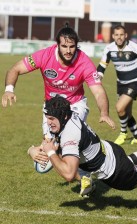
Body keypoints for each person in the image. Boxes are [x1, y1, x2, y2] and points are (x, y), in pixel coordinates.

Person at [2, 22, 115, 194]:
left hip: (75, 106)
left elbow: (98, 91)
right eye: (64, 46)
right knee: (50, 145)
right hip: (52, 108)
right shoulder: (44, 56)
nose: (68, 50)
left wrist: (104, 112)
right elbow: (15, 69)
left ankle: (94, 169)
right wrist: (9, 90)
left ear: (77, 45)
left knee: (61, 143)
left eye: (72, 46)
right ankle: (85, 177)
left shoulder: (83, 62)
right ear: (57, 45)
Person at [32, 95, 137, 197]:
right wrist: (31, 150)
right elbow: (48, 145)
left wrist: (51, 153)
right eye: (47, 118)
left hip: (116, 172)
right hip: (111, 150)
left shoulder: (70, 134)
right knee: (130, 161)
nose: (48, 122)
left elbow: (69, 174)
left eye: (51, 118)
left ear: (63, 115)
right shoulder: (68, 116)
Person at [97, 24, 137, 145]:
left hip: (135, 83)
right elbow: (103, 65)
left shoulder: (135, 48)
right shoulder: (109, 49)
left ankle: (122, 133)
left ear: (126, 36)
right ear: (113, 36)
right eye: (117, 35)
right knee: (126, 113)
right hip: (121, 84)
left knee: (119, 108)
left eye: (121, 35)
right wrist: (98, 77)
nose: (119, 37)